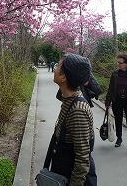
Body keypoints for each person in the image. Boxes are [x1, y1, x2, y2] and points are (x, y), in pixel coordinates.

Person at [44, 53, 97, 186]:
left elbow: (82, 158)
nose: (54, 68)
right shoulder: (68, 100)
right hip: (63, 172)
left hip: (72, 178)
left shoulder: (78, 109)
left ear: (63, 76)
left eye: (57, 66)